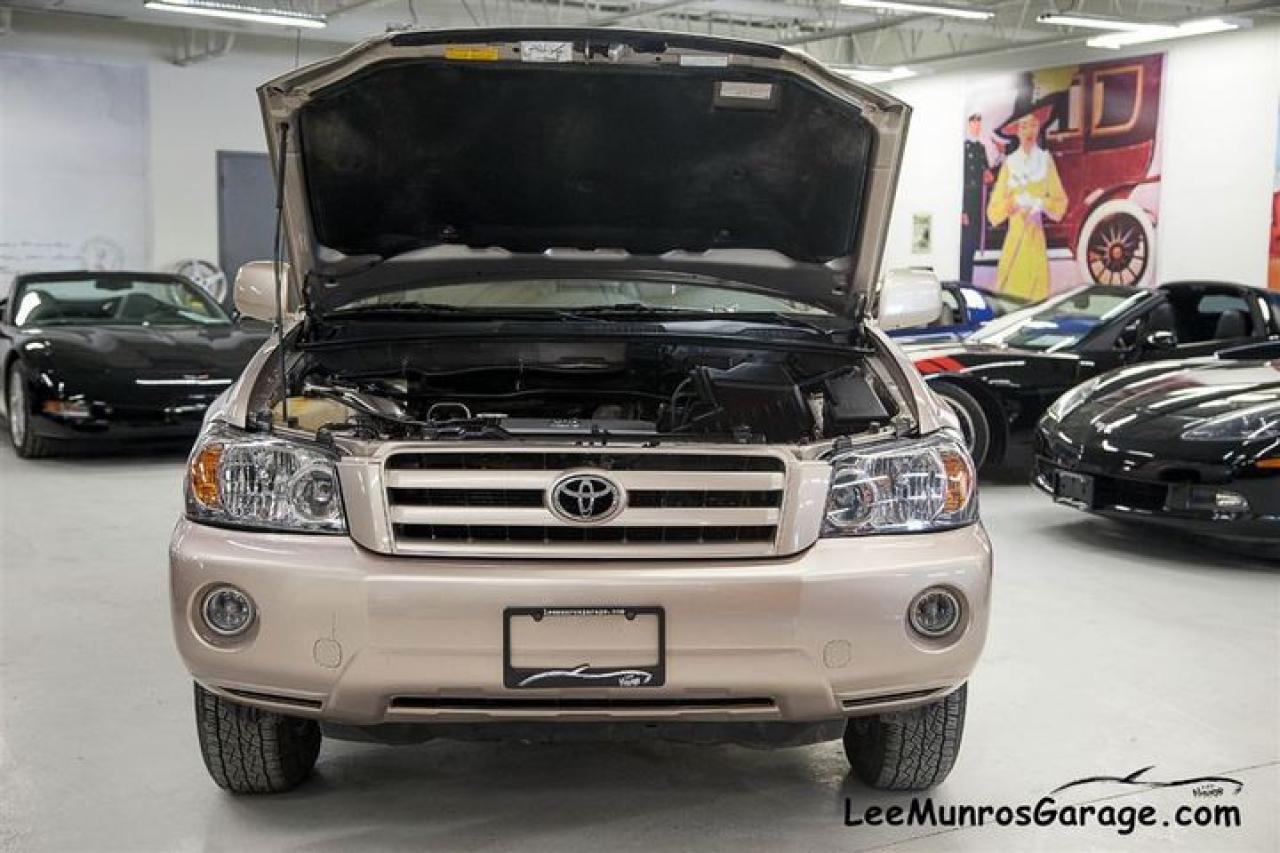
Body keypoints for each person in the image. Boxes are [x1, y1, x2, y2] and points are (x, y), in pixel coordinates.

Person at [986, 103, 1068, 302]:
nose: (1029, 131)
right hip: (1014, 242)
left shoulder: (1045, 160)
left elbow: (1060, 202)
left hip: (1036, 240)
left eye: (1033, 125)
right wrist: (1012, 203)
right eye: (1024, 126)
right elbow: (993, 211)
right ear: (1017, 131)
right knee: (1010, 297)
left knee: (1037, 298)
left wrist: (1040, 203)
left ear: (1038, 127)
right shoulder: (1010, 163)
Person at [961, 113, 991, 282]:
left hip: (977, 202)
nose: (977, 126)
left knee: (972, 244)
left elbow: (985, 171)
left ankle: (968, 281)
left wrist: (987, 175)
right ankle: (964, 280)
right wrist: (962, 210)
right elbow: (959, 179)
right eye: (974, 122)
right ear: (968, 124)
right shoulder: (962, 149)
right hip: (967, 201)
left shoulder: (981, 148)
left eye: (979, 122)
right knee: (965, 245)